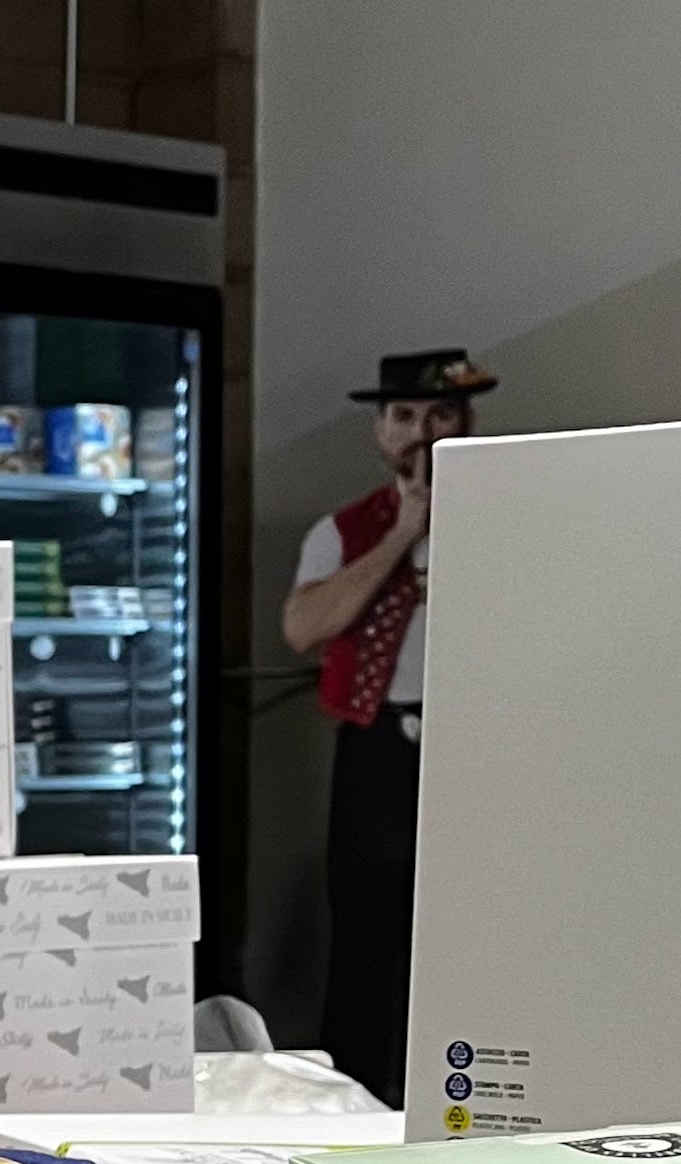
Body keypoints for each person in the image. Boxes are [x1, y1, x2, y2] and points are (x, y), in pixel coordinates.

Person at [281, 346, 494, 1108]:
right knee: (370, 923)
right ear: (379, 432)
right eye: (404, 417)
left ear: (468, 423)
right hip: (382, 745)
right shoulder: (345, 530)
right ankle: (361, 1095)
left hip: (489, 746)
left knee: (483, 921)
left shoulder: (516, 509)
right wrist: (405, 531)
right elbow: (304, 629)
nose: (422, 433)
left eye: (440, 415)